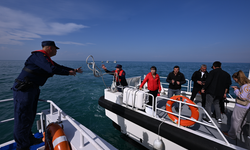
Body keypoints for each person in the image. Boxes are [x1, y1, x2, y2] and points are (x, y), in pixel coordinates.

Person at [12, 41, 83, 150]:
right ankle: (22, 146)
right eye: (56, 49)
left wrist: (74, 70)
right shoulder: (38, 56)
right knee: (22, 117)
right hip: (24, 89)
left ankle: (29, 138)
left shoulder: (45, 59)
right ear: (50, 48)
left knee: (30, 116)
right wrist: (69, 73)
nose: (56, 51)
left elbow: (59, 66)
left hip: (32, 89)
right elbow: (51, 69)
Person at [224, 70, 250, 139]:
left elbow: (243, 97)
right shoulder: (248, 85)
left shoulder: (244, 86)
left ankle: (232, 134)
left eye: (235, 79)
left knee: (235, 119)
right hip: (247, 106)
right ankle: (238, 131)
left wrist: (236, 90)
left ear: (238, 78)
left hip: (241, 106)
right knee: (242, 119)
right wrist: (239, 89)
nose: (235, 81)